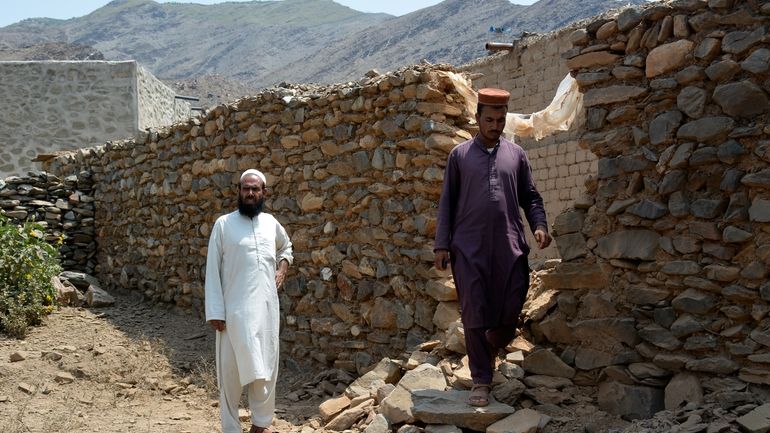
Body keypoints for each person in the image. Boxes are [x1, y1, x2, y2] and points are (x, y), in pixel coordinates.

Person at [433, 88, 552, 407]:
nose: (496, 125)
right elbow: (447, 202)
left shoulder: (516, 155)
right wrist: (441, 244)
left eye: (501, 120)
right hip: (468, 249)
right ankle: (481, 381)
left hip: (510, 245)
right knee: (474, 314)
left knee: (512, 302)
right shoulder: (459, 156)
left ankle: (498, 339)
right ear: (477, 118)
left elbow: (531, 197)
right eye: (490, 119)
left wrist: (539, 225)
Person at [205, 169, 293, 433]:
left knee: (264, 370)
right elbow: (212, 269)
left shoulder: (271, 223)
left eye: (255, 189)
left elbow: (286, 246)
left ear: (264, 193)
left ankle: (261, 424)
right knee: (230, 377)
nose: (250, 193)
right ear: (239, 192)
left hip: (265, 313)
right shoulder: (223, 224)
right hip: (232, 315)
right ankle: (231, 428)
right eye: (246, 189)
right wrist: (215, 311)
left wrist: (283, 267)